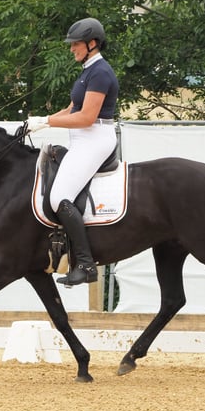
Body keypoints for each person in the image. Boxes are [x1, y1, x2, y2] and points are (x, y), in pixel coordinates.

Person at [27, 17, 119, 286]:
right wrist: (41, 121)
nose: (71, 49)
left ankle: (86, 265)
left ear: (92, 44)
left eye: (76, 44)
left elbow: (86, 117)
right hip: (83, 138)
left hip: (95, 138)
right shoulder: (87, 71)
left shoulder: (100, 72)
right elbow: (71, 111)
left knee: (59, 197)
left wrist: (47, 122)